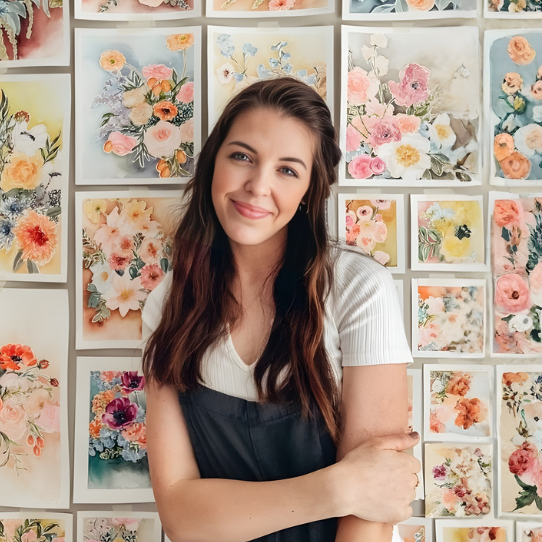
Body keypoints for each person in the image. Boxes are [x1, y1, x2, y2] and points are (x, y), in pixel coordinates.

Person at [141, 76, 420, 542]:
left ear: (310, 190)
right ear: (213, 164)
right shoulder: (169, 303)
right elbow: (180, 517)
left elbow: (372, 511)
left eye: (288, 170)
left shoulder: (358, 290)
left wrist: (359, 491)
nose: (257, 186)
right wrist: (341, 488)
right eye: (242, 157)